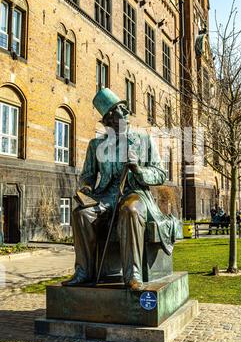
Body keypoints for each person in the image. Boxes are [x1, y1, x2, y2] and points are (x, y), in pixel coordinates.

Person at [63, 88, 180, 291]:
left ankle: (132, 275)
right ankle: (84, 272)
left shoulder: (144, 141)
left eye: (123, 115)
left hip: (135, 193)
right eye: (115, 119)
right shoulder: (96, 145)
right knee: (81, 214)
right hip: (106, 196)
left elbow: (160, 173)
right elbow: (88, 175)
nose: (121, 120)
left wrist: (138, 169)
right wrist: (86, 189)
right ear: (107, 122)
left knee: (130, 210)